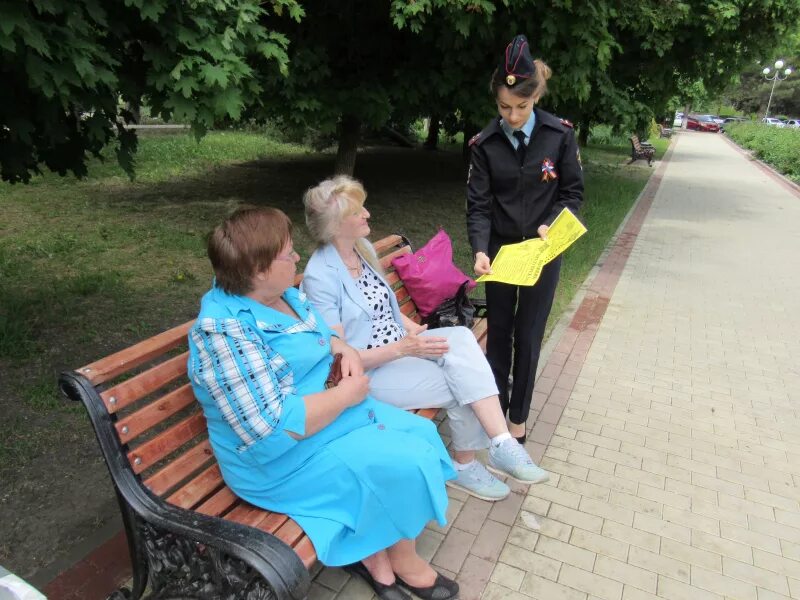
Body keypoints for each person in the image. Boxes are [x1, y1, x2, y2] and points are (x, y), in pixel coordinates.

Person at [188, 206, 459, 600]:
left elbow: (319, 332)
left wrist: (342, 348)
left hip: (331, 419)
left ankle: (380, 551)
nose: (298, 257)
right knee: (404, 461)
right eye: (289, 253)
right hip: (281, 458)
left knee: (419, 433)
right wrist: (345, 394)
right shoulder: (222, 334)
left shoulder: (279, 294)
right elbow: (271, 429)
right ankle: (400, 560)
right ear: (259, 268)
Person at [301, 176, 549, 504]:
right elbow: (341, 358)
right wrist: (402, 347)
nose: (368, 214)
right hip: (370, 372)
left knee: (461, 339)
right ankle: (466, 464)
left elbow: (380, 304)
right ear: (335, 225)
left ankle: (501, 443)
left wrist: (409, 327)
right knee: (463, 385)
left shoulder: (360, 252)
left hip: (403, 348)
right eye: (358, 211)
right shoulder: (321, 276)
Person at [467, 34, 584, 443]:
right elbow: (478, 205)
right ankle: (496, 414)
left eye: (521, 107)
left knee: (528, 334)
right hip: (500, 252)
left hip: (543, 251)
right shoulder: (485, 145)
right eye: (503, 107)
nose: (512, 116)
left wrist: (553, 223)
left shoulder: (559, 135)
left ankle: (519, 417)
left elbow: (572, 193)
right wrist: (481, 249)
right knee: (498, 332)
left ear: (535, 97)